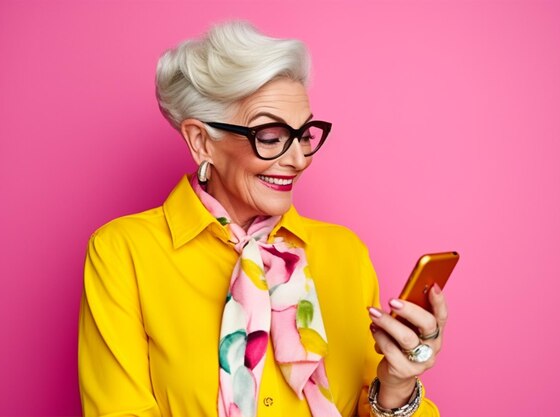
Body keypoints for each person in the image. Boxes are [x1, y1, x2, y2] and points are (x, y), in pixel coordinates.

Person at [78, 21, 448, 417]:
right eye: (270, 136)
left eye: (304, 133)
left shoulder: (345, 253)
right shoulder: (124, 252)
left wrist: (396, 386)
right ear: (201, 141)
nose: (298, 159)